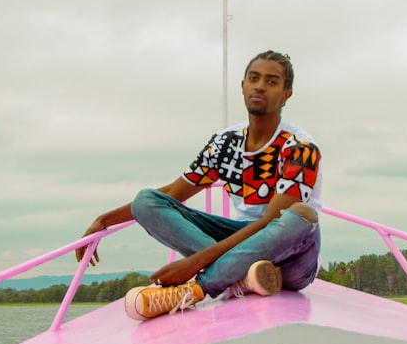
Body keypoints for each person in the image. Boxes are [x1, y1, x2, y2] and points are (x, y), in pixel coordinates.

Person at [76, 50, 323, 321]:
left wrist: (197, 263)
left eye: (272, 81)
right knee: (145, 200)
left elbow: (269, 222)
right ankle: (242, 277)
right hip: (237, 239)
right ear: (242, 85)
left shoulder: (300, 147)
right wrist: (105, 219)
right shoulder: (225, 143)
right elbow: (172, 194)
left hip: (290, 257)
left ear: (287, 93)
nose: (260, 86)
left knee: (300, 215)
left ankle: (198, 289)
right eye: (254, 78)